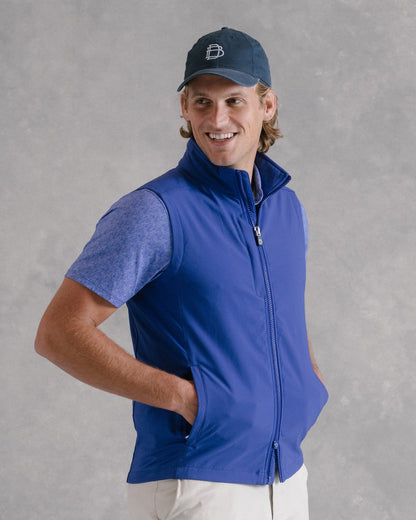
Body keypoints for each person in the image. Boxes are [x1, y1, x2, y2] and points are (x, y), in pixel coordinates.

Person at [35, 27, 328, 520]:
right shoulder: (155, 211)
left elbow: (282, 313)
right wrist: (186, 399)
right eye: (202, 102)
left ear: (267, 106)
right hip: (199, 483)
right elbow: (58, 333)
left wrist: (308, 385)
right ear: (184, 108)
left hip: (286, 476)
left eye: (234, 101)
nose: (217, 119)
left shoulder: (286, 209)